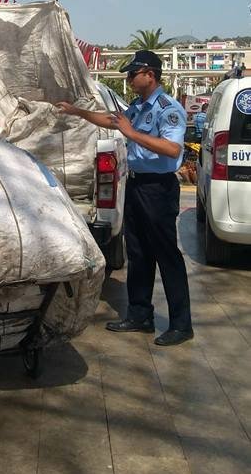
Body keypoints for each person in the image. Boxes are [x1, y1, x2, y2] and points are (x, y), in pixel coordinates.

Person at [56, 49, 193, 347]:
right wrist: (77, 111)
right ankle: (140, 315)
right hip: (137, 186)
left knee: (167, 255)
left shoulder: (168, 109)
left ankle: (182, 324)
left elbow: (172, 150)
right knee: (139, 252)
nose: (129, 78)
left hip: (159, 188)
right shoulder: (138, 106)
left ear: (150, 74)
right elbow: (111, 120)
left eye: (133, 73)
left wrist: (131, 134)